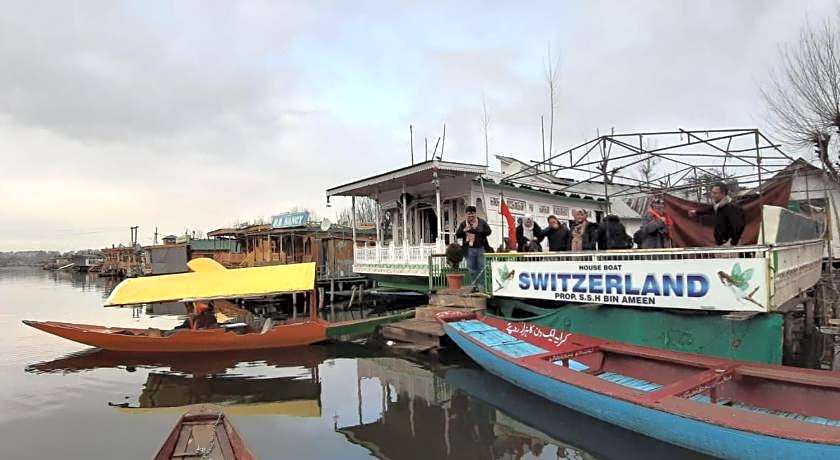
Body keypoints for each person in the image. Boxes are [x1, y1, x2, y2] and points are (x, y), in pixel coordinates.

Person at [455, 205, 492, 288]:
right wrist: (463, 230)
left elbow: (489, 231)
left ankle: (482, 286)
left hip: (481, 248)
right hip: (469, 249)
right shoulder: (463, 224)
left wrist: (477, 231)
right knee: (472, 269)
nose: (471, 217)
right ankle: (474, 286)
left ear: (475, 214)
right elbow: (458, 235)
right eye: (469, 215)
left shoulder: (482, 222)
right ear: (466, 215)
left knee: (481, 268)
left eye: (472, 215)